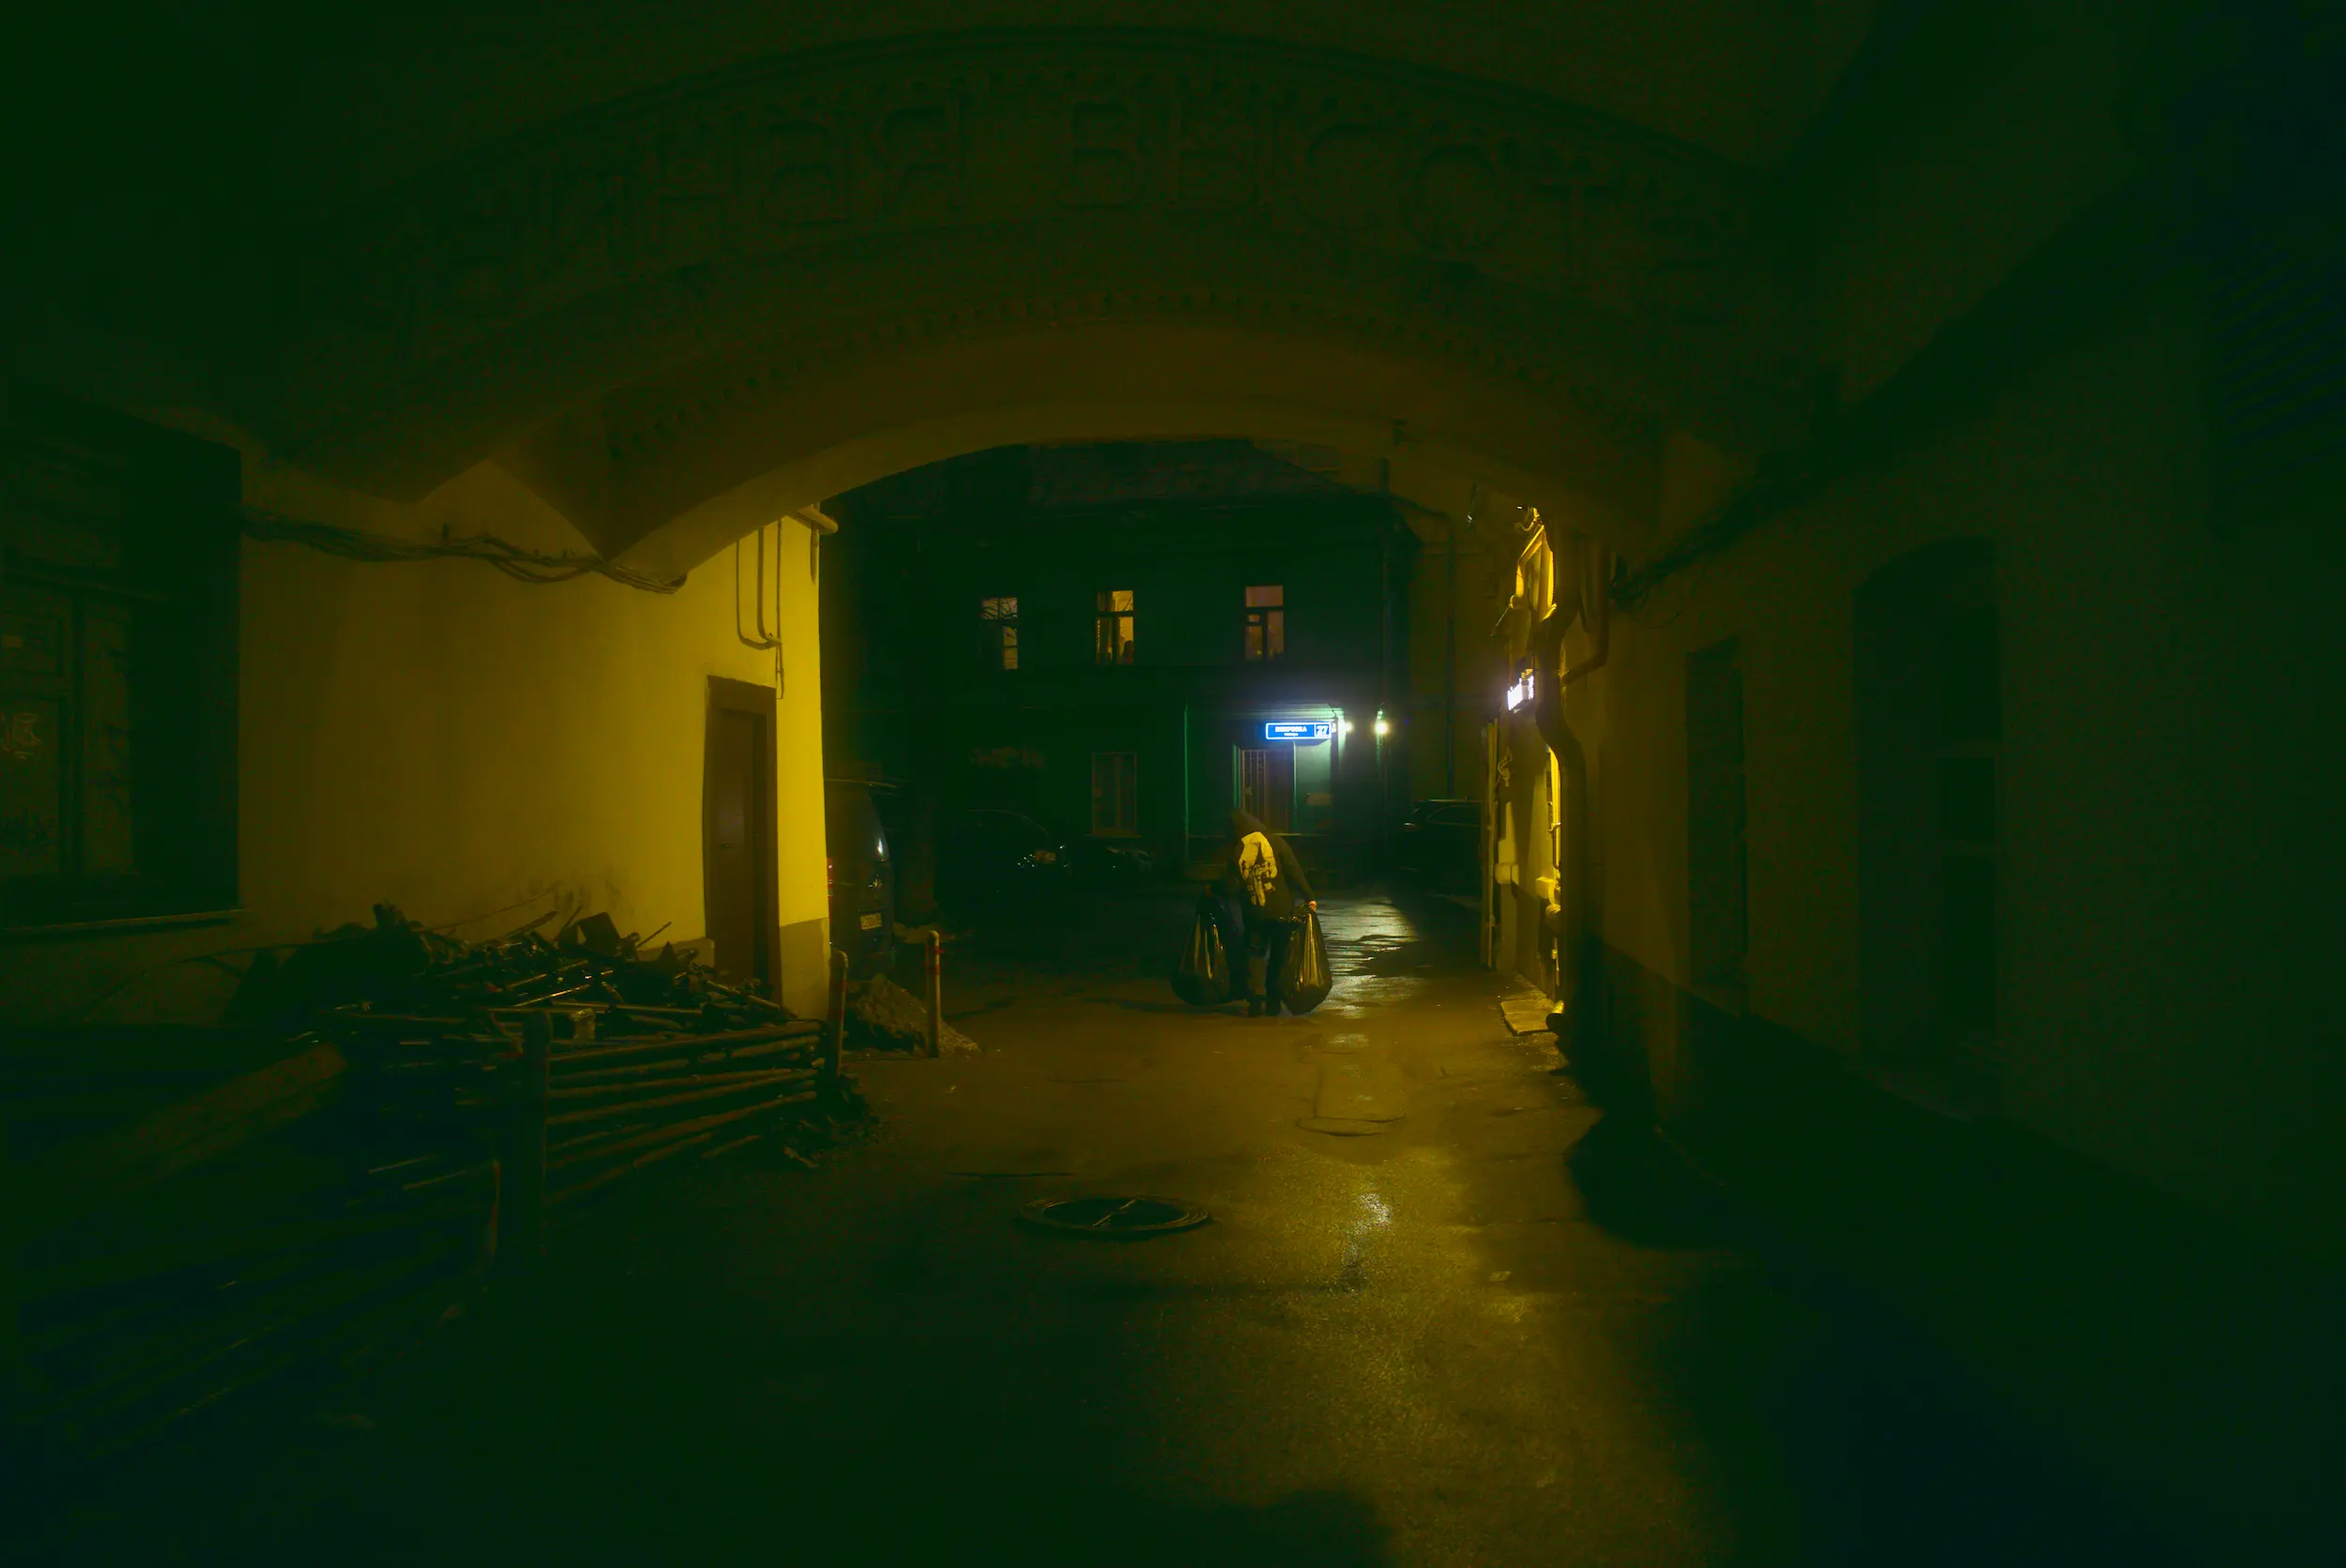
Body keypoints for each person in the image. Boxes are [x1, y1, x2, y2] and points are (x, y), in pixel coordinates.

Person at [1214, 808, 1317, 1016]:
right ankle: (1273, 1002)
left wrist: (1213, 890)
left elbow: (1229, 885)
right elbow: (1293, 869)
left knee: (1255, 954)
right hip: (1282, 910)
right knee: (1279, 955)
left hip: (1255, 914)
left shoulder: (1236, 851)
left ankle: (1256, 999)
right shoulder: (1276, 841)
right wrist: (1309, 896)